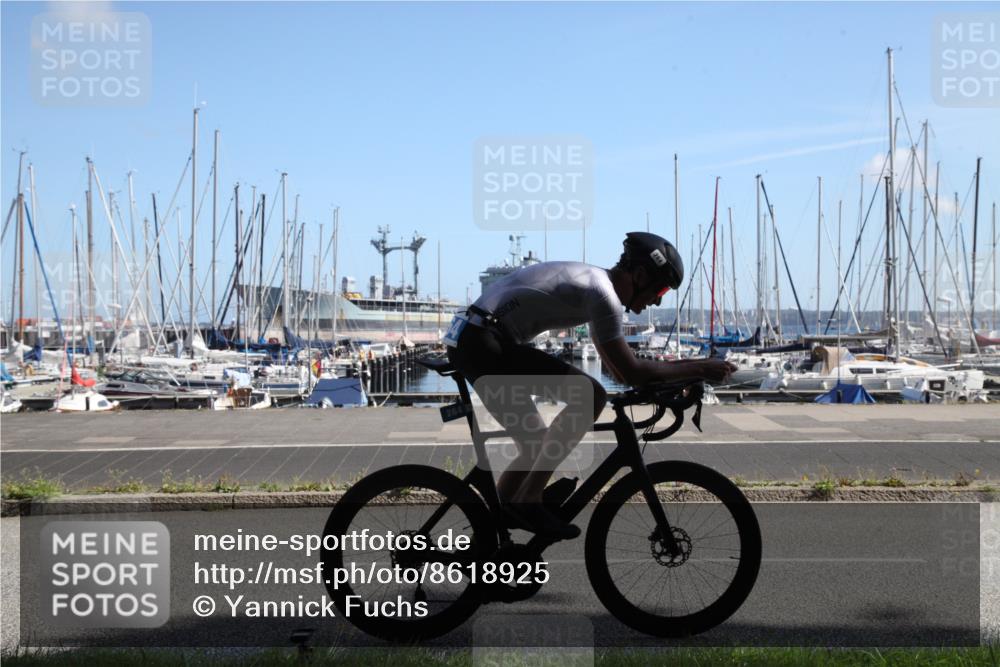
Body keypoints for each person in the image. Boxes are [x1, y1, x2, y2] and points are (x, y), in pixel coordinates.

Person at [444, 232, 735, 539]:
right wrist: (700, 367)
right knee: (589, 395)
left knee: (533, 442)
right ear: (638, 275)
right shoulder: (603, 295)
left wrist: (684, 374)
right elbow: (630, 372)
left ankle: (492, 538)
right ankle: (528, 500)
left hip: (474, 338)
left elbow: (621, 368)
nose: (659, 299)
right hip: (483, 341)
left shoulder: (597, 287)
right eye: (661, 288)